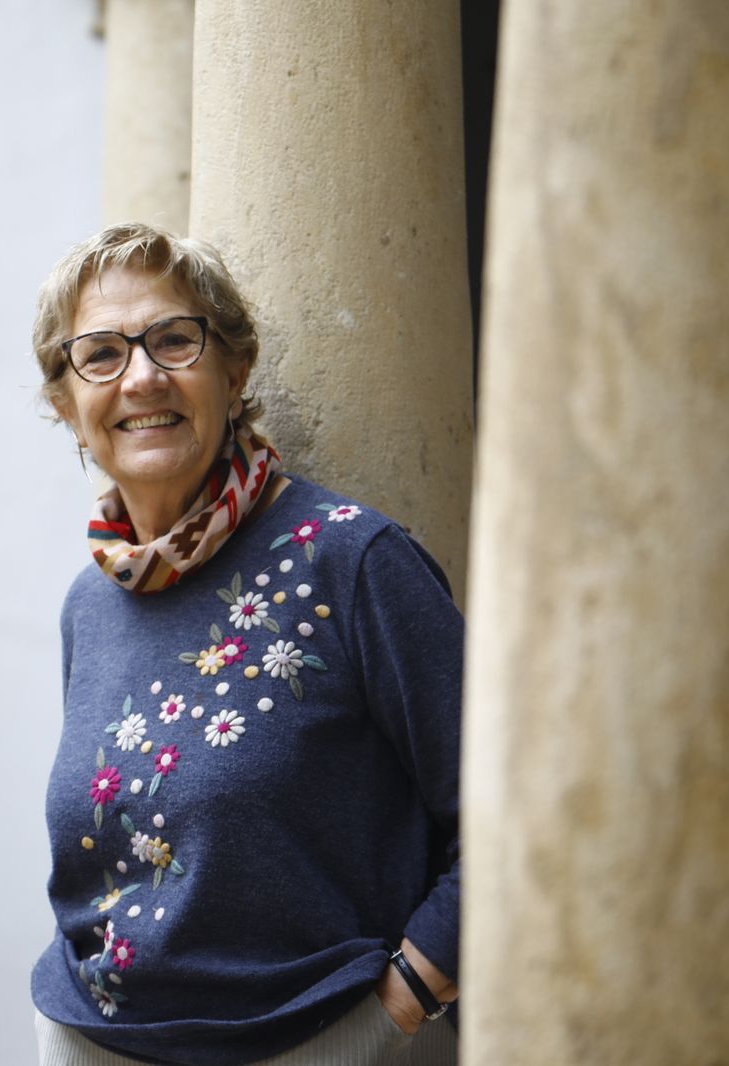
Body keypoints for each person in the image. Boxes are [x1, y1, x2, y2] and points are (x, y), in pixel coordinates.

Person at [29, 223, 463, 1065]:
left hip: (320, 1040)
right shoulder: (90, 603)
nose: (142, 376)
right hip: (91, 1041)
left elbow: (505, 807)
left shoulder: (352, 560)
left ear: (234, 372)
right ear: (66, 404)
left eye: (174, 340)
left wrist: (409, 995)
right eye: (101, 354)